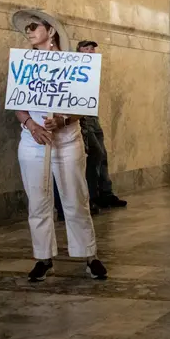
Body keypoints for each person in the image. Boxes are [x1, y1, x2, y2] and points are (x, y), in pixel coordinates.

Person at [10, 8, 108, 282]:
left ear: (50, 30)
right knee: (38, 201)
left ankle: (90, 255)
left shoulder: (72, 63)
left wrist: (62, 120)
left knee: (76, 198)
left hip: (67, 141)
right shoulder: (23, 63)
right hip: (32, 141)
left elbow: (83, 104)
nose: (29, 31)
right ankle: (43, 258)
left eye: (34, 25)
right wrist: (32, 125)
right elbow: (17, 105)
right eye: (26, 27)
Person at [53, 40, 126, 220]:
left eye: (93, 48)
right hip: (80, 119)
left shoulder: (92, 68)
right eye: (87, 48)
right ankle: (91, 197)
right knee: (93, 155)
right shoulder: (75, 66)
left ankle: (104, 193)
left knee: (101, 155)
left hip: (91, 116)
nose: (91, 50)